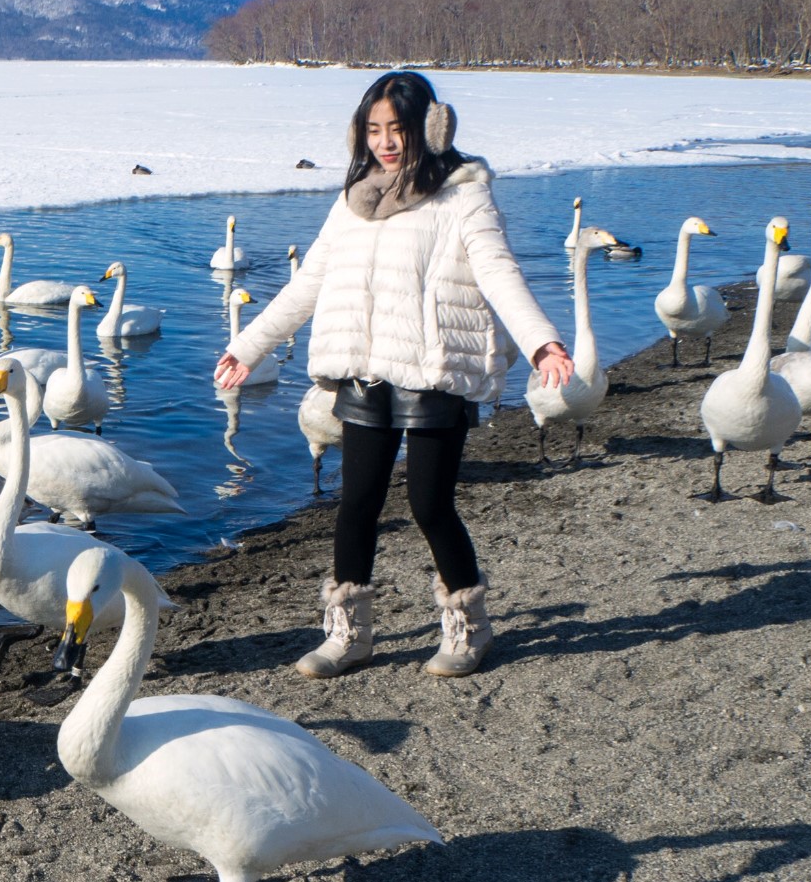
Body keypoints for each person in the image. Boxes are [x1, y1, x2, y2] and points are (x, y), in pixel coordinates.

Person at [216, 71, 571, 679]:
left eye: (397, 129)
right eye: (374, 130)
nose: (385, 143)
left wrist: (543, 344)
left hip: (434, 369)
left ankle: (469, 627)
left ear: (430, 128)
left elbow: (499, 274)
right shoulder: (355, 201)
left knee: (430, 504)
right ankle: (349, 632)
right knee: (357, 503)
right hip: (363, 371)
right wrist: (250, 346)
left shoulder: (464, 197)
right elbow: (310, 283)